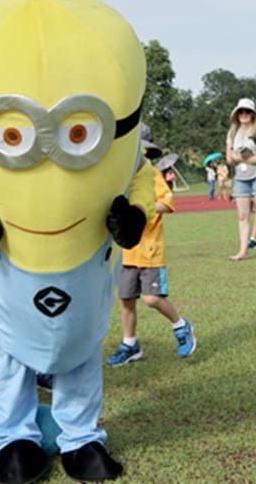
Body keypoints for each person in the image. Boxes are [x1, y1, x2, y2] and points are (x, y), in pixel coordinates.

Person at [106, 141, 197, 366]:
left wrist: (138, 208)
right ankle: (130, 345)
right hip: (126, 251)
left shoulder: (151, 173)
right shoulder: (119, 174)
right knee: (126, 299)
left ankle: (181, 325)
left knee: (152, 298)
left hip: (149, 249)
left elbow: (167, 203)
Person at [225, 98, 256, 262]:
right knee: (242, 216)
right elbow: (229, 158)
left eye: (247, 112)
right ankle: (242, 250)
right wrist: (239, 158)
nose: (243, 115)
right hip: (241, 177)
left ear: (253, 114)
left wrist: (241, 157)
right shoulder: (232, 132)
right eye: (240, 112)